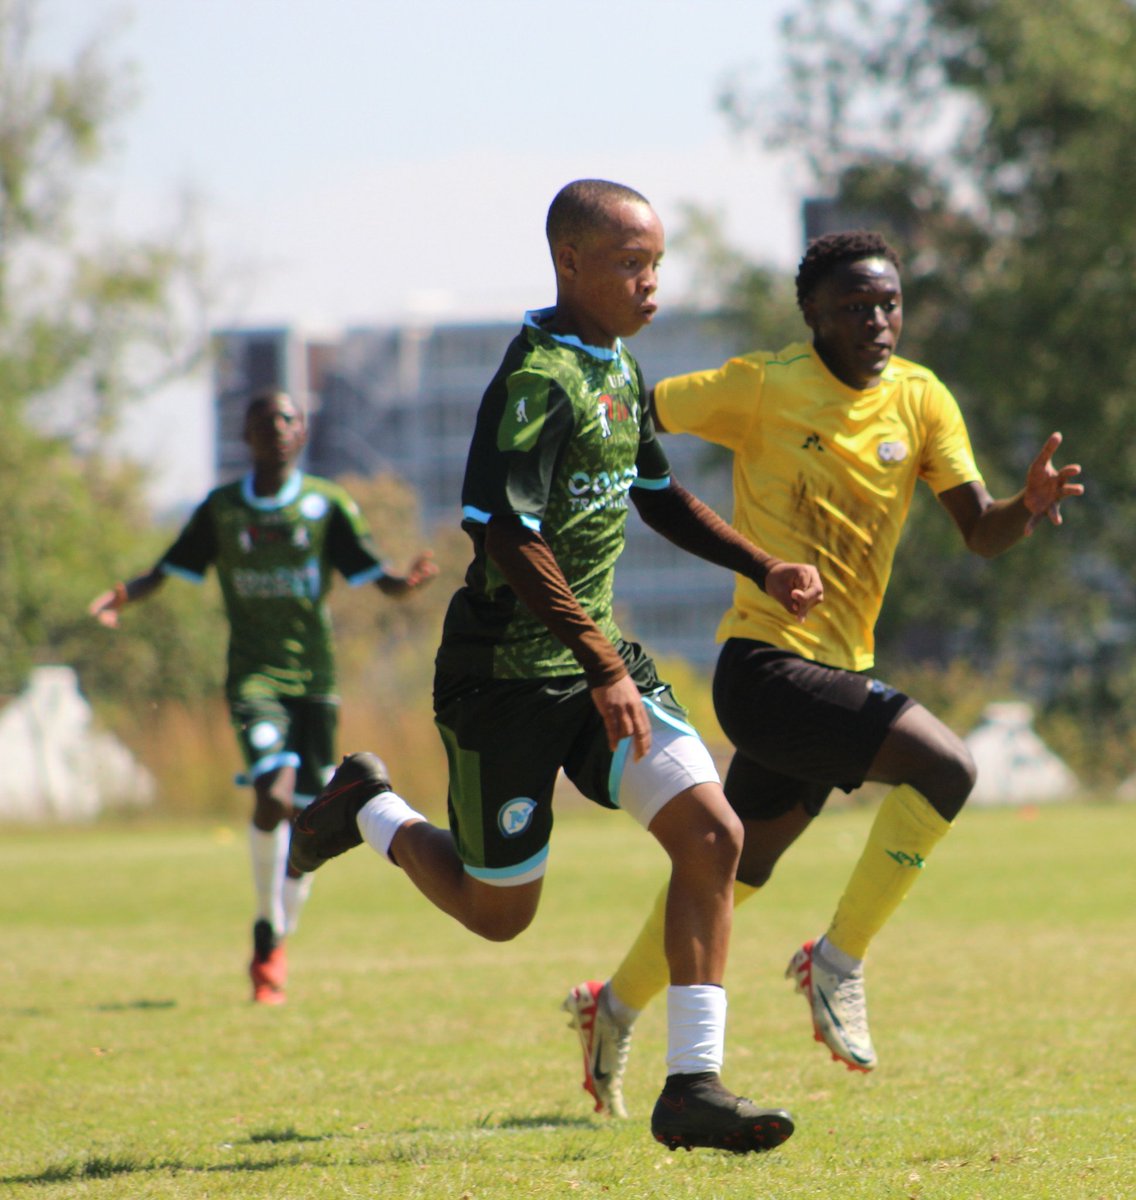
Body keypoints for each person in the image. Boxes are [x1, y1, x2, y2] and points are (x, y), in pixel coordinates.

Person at [288, 179, 823, 1154]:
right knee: (499, 916)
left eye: (656, 263)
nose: (650, 282)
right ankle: (365, 806)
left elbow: (654, 497)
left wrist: (761, 562)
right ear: (568, 263)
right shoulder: (535, 375)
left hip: (595, 664)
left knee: (711, 836)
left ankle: (690, 1086)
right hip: (502, 678)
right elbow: (501, 531)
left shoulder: (617, 366)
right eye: (630, 263)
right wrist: (597, 663)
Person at [565, 229, 1084, 1117]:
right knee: (948, 765)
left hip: (836, 671)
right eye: (854, 307)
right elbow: (630, 407)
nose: (876, 321)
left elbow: (979, 529)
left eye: (887, 304)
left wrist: (1024, 510)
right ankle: (835, 961)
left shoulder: (921, 399)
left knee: (730, 877)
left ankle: (607, 1010)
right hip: (763, 668)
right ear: (813, 317)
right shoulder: (762, 384)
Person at [89, 389, 437, 1005]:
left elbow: (367, 570)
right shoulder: (223, 509)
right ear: (245, 435)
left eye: (288, 419)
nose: (276, 428)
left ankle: (277, 929)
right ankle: (263, 919)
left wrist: (403, 585)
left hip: (316, 684)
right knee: (272, 792)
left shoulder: (324, 505)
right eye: (263, 420)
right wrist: (125, 594)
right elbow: (171, 567)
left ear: (302, 433)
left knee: (309, 813)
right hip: (253, 678)